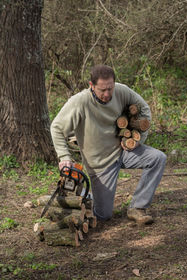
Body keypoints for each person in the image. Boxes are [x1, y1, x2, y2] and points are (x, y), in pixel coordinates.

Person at [50, 65, 167, 225]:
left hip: (124, 152)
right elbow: (56, 127)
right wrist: (64, 156)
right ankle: (84, 195)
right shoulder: (80, 102)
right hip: (101, 164)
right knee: (103, 215)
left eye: (110, 89)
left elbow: (145, 109)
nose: (107, 94)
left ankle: (137, 207)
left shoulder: (121, 91)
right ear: (91, 85)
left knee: (158, 158)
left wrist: (139, 139)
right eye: (102, 90)